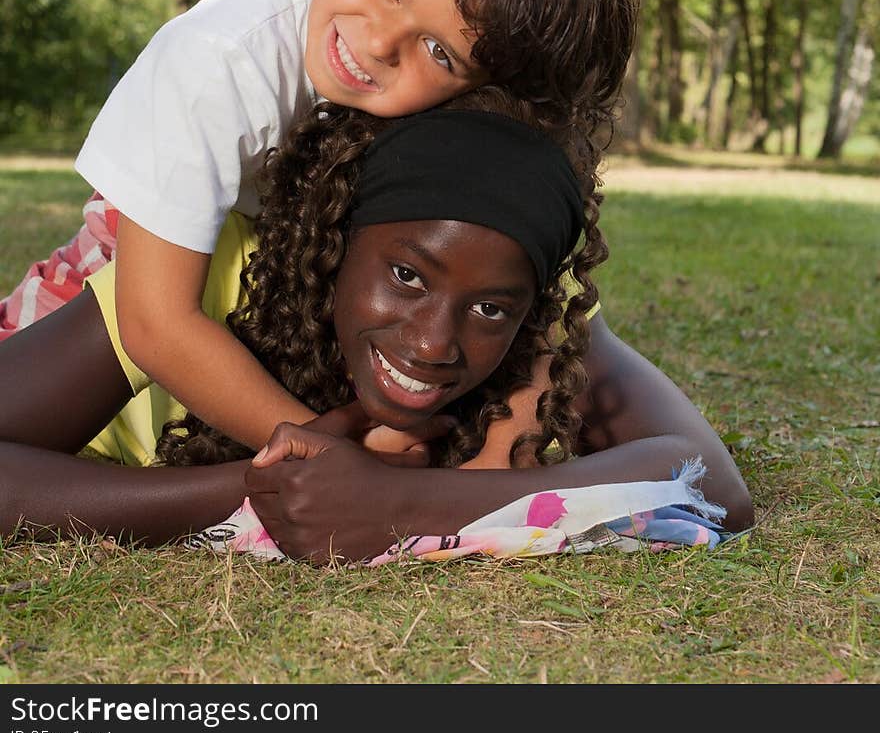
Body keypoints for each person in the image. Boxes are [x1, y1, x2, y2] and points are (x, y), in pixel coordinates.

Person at [0, 0, 641, 464]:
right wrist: (337, 455)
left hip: (280, 310)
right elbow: (153, 323)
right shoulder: (222, 58)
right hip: (115, 295)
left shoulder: (453, 120)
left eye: (439, 51)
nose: (378, 42)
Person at [0, 93, 753, 558]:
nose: (433, 343)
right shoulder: (212, 275)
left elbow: (710, 482)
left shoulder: (537, 330)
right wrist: (257, 486)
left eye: (491, 308)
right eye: (407, 276)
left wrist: (398, 506)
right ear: (336, 241)